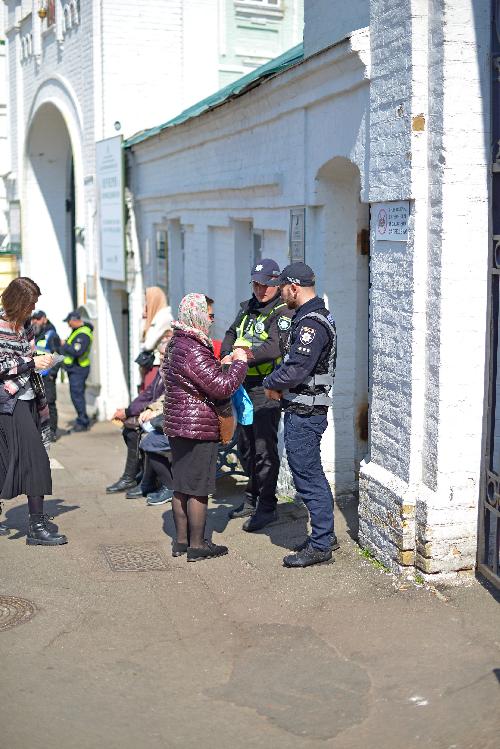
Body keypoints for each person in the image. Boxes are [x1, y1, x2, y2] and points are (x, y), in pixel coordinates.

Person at [263, 262, 338, 568]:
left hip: (305, 412)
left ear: (294, 287)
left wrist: (271, 383)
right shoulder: (310, 316)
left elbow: (297, 367)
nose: (280, 293)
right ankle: (325, 535)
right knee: (312, 474)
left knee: (308, 476)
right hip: (303, 409)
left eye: (282, 288)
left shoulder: (311, 323)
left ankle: (321, 545)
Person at [163, 293, 247, 561]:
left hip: (178, 424)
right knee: (198, 488)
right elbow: (221, 387)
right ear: (197, 314)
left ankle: (181, 542)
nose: (212, 321)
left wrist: (217, 366)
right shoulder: (194, 347)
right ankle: (198, 546)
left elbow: (198, 378)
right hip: (197, 427)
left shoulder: (177, 343)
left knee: (182, 485)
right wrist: (239, 363)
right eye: (210, 315)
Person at [220, 259, 293, 532]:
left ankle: (267, 506)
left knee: (264, 449)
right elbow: (230, 333)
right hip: (242, 386)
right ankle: (251, 498)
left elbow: (274, 347)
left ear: (276, 284)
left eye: (266, 285)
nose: (260, 289)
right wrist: (226, 353)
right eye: (256, 283)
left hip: (266, 388)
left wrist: (244, 356)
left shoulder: (283, 311)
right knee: (246, 447)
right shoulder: (248, 307)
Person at [0, 277, 67, 545]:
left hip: (29, 397)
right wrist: (30, 362)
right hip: (8, 400)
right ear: (18, 302)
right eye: (31, 302)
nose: (34, 308)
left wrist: (41, 361)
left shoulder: (26, 325)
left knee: (5, 460)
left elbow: (27, 359)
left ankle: (36, 524)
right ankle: (36, 528)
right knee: (36, 459)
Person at [107, 363, 166, 495]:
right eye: (161, 354)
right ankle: (135, 474)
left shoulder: (175, 369)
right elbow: (147, 394)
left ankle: (146, 479)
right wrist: (128, 411)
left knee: (141, 434)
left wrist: (151, 410)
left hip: (165, 416)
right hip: (155, 412)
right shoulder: (162, 369)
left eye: (164, 353)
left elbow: (167, 398)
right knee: (128, 428)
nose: (162, 357)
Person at [61, 310, 94, 432]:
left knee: (77, 396)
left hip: (78, 369)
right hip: (74, 368)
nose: (68, 325)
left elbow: (77, 351)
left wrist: (64, 345)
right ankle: (82, 418)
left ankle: (83, 422)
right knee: (76, 396)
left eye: (69, 322)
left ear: (75, 320)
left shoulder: (83, 334)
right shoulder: (77, 331)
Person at [31, 309, 61, 441]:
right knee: (38, 404)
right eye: (34, 319)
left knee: (49, 403)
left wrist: (52, 374)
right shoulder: (33, 333)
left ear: (44, 319)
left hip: (47, 377)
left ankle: (52, 432)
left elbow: (58, 356)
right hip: (36, 376)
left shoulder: (51, 334)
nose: (34, 321)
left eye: (37, 319)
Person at [141, 287, 173, 388]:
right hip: (150, 365)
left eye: (147, 300)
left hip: (157, 366)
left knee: (150, 400)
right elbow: (141, 339)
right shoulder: (154, 317)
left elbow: (147, 345)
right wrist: (144, 318)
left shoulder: (164, 318)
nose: (146, 304)